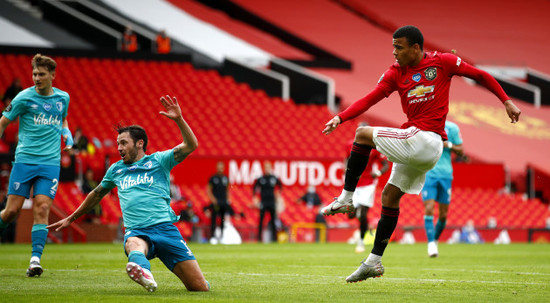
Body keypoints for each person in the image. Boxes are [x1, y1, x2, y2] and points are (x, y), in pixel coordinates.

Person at [321, 25, 521, 283]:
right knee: (390, 197)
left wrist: (506, 99)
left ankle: (346, 198)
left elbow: (480, 75)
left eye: (399, 47)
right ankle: (374, 261)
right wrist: (341, 116)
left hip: (427, 140)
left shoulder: (443, 62)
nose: (394, 52)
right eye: (393, 47)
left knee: (362, 135)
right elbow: (370, 98)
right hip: (421, 145)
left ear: (416, 48)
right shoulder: (395, 73)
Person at [47, 95, 209, 292]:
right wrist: (72, 217)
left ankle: (156, 271)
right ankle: (144, 272)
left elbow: (191, 145)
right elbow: (96, 194)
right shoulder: (116, 169)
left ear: (139, 143)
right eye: (118, 144)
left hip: (166, 230)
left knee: (199, 288)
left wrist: (179, 120)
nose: (119, 148)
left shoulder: (159, 161)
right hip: (138, 230)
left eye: (123, 143)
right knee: (133, 244)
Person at [0, 54, 73, 277]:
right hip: (24, 161)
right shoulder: (23, 97)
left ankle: (34, 260)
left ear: (52, 75)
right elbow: (3, 122)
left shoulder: (63, 98)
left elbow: (63, 119)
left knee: (42, 208)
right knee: (11, 211)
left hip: (50, 164)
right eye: (34, 74)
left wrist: (67, 133)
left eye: (41, 74)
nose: (36, 78)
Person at [421, 120, 463, 257]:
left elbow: (461, 150)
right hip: (429, 173)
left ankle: (435, 239)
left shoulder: (452, 128)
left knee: (443, 215)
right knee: (429, 208)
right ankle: (431, 244)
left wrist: (448, 144)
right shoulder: (426, 123)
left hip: (445, 174)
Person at [345, 135, 389, 253]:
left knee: (363, 214)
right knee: (350, 215)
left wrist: (378, 173)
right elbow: (347, 159)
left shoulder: (374, 148)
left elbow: (386, 164)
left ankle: (360, 242)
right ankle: (357, 210)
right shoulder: (350, 145)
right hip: (354, 184)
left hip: (368, 184)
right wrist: (347, 170)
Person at [252, 161, 282, 243]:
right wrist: (255, 198)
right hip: (263, 202)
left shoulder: (274, 178)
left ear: (271, 168)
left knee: (273, 221)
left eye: (269, 167)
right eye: (266, 168)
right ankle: (259, 238)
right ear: (264, 169)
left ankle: (274, 239)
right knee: (261, 220)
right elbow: (254, 188)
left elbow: (280, 186)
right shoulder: (261, 179)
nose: (267, 169)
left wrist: (278, 195)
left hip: (272, 202)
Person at [206, 161, 230, 244]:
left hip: (223, 201)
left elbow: (227, 190)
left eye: (221, 167)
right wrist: (213, 199)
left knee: (223, 219)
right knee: (214, 219)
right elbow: (208, 189)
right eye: (219, 167)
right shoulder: (213, 178)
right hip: (216, 202)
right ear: (217, 168)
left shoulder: (225, 178)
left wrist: (228, 199)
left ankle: (222, 236)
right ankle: (213, 237)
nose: (220, 169)